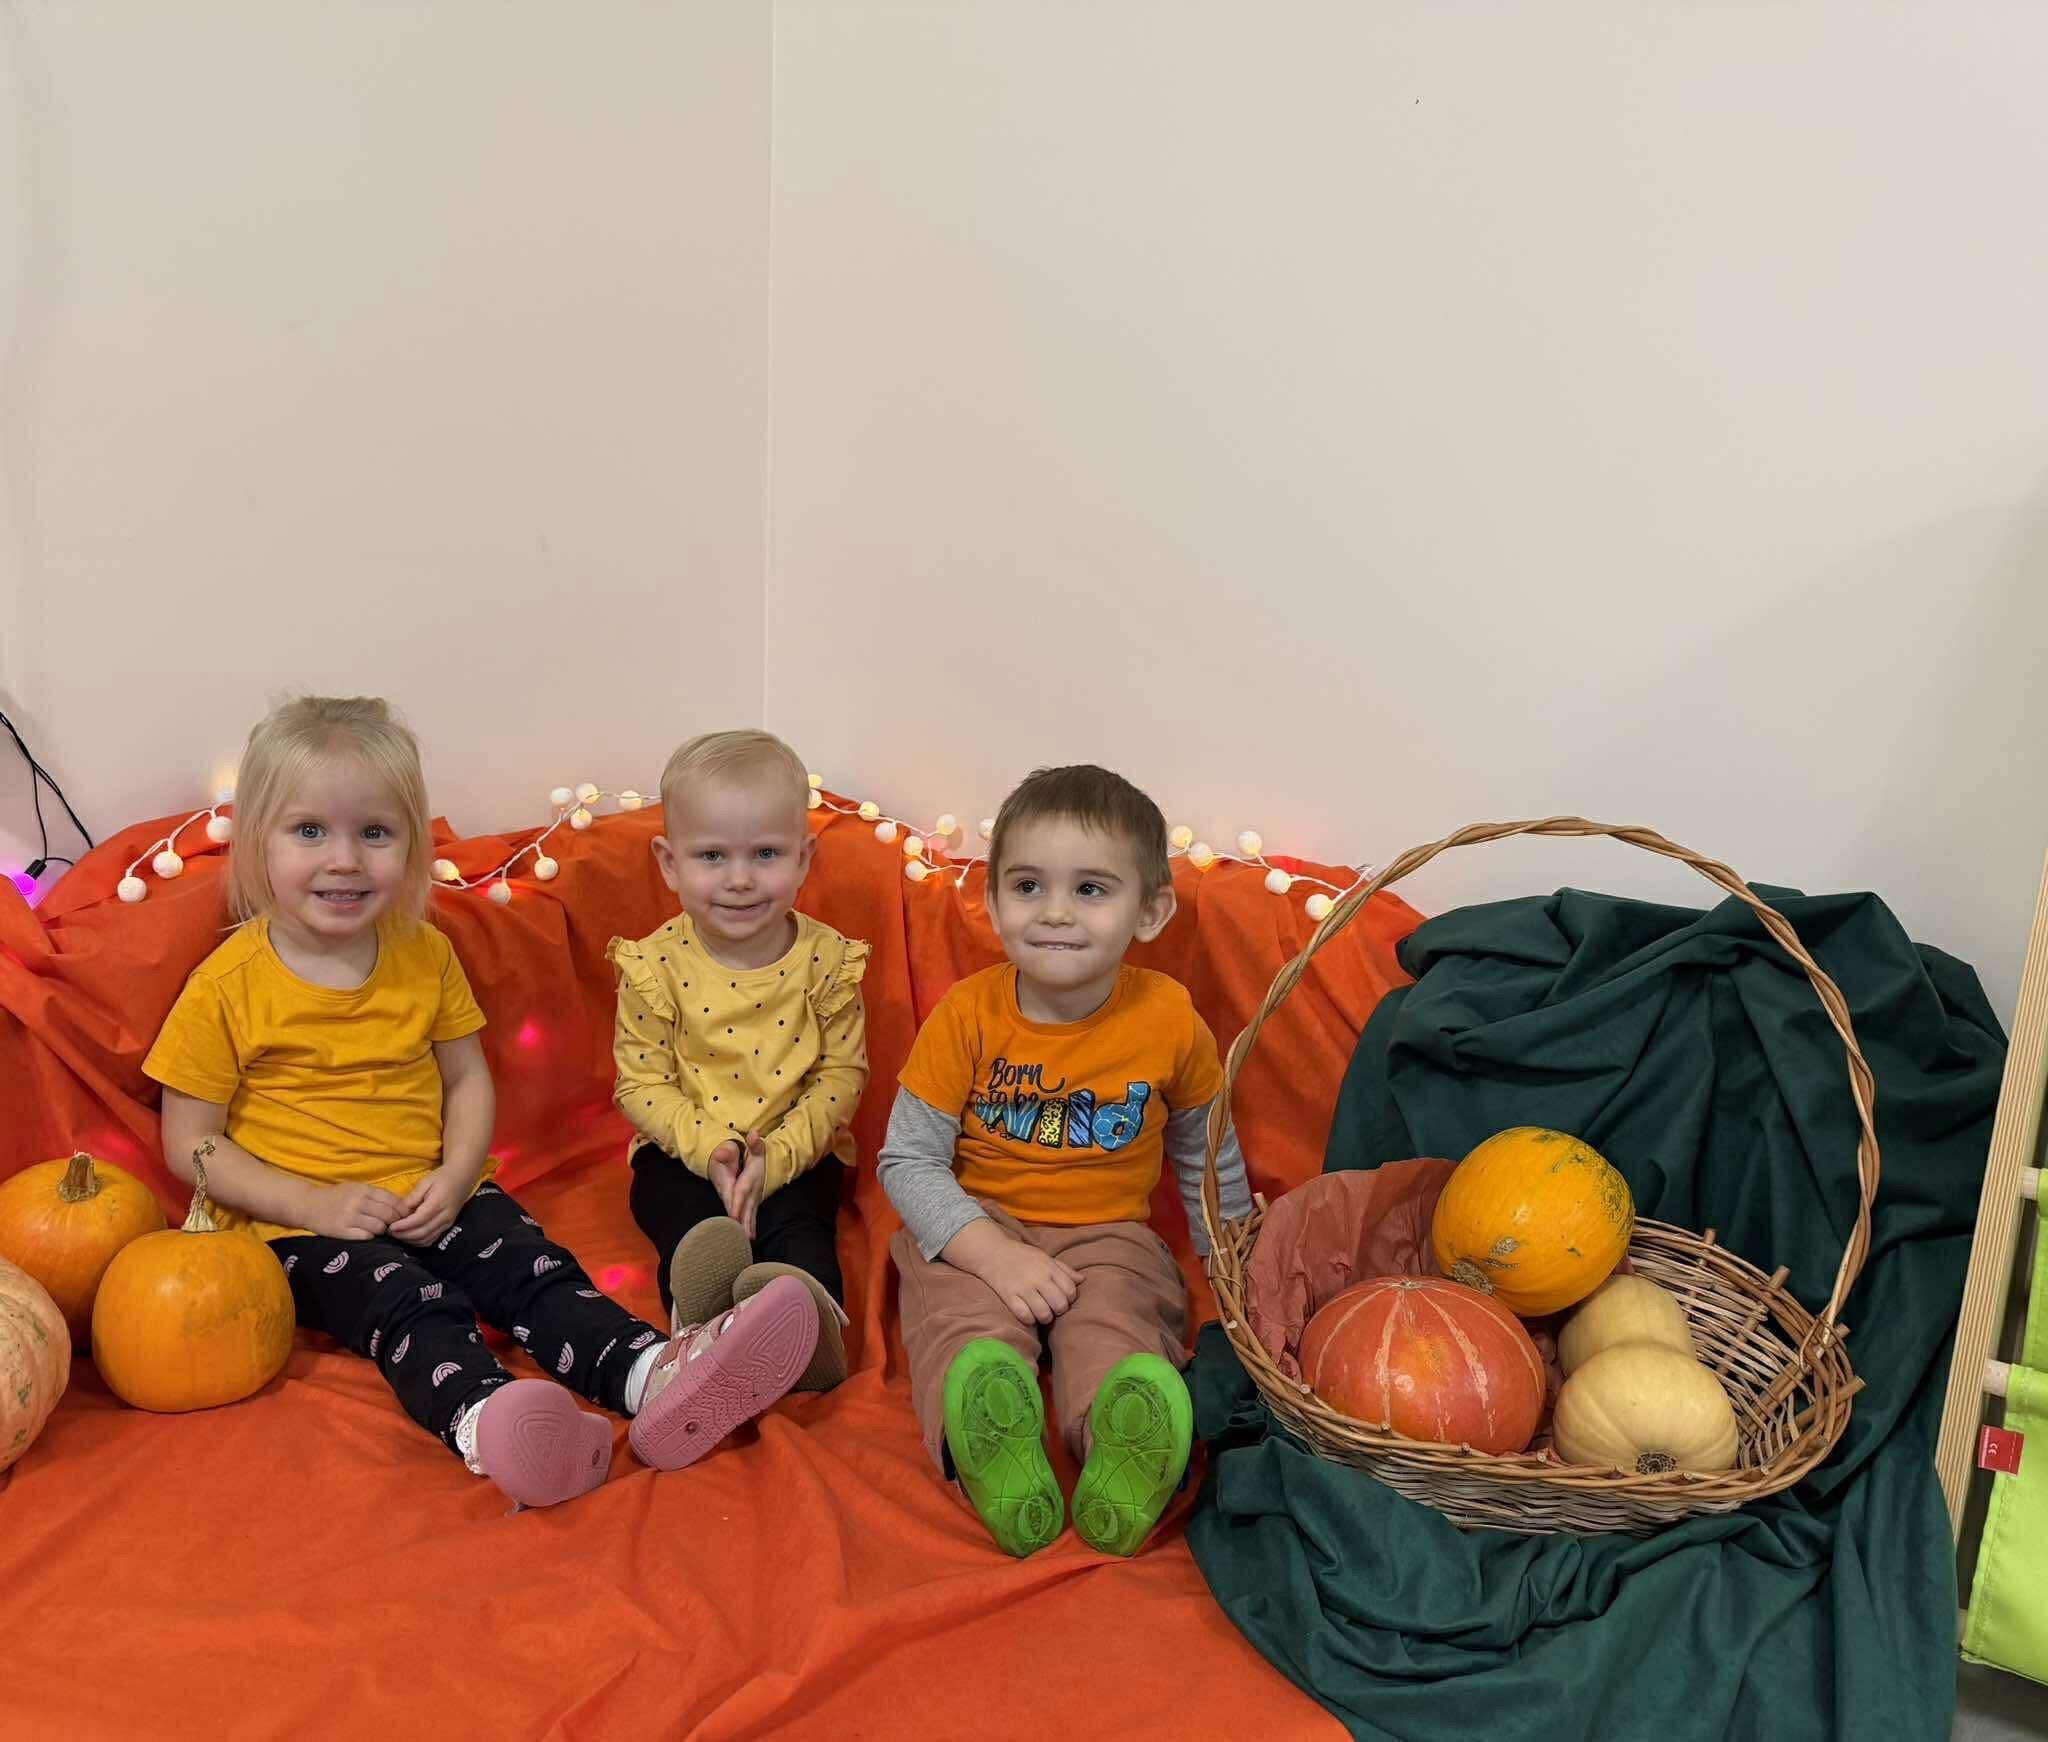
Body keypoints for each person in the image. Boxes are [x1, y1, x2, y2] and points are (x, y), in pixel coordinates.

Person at [144, 696, 816, 1509]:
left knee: (534, 1269)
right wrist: (311, 1204)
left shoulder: (423, 953)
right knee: (406, 1303)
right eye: (310, 831)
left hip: (434, 1192)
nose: (345, 860)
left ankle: (650, 1373)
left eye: (375, 833)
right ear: (256, 844)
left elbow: (466, 1080)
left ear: (410, 844)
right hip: (297, 1230)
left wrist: (459, 1176)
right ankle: (489, 1419)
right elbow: (192, 1142)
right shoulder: (227, 986)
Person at [878, 764, 1254, 1557]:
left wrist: (1233, 1259)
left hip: (1108, 1233)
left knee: (1118, 1321)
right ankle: (991, 1446)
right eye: (1028, 886)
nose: (1054, 912)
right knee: (961, 1324)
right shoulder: (966, 1016)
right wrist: (990, 1252)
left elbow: (1204, 1145)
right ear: (991, 903)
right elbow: (907, 1161)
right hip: (977, 1228)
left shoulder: (1169, 1019)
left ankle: (1119, 1443)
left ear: (1150, 911)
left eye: (1090, 889)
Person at [609, 729, 867, 1392]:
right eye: (712, 856)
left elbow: (841, 1076)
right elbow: (640, 1084)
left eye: (766, 854)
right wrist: (710, 1150)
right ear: (669, 864)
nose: (741, 878)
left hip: (794, 1151)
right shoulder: (652, 965)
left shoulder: (829, 962)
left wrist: (776, 1157)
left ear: (804, 858)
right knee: (685, 1220)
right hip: (684, 1150)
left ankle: (806, 1325)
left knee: (799, 1226)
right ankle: (703, 1324)